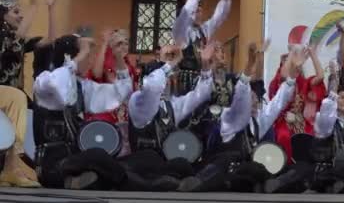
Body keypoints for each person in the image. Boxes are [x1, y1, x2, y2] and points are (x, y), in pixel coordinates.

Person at [179, 43, 300, 193]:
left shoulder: (259, 121)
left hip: (248, 169)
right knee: (225, 163)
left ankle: (276, 183)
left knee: (279, 168)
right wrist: (248, 65)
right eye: (251, 98)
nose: (255, 100)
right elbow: (242, 88)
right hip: (224, 161)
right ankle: (197, 182)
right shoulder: (231, 118)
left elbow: (277, 102)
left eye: (256, 98)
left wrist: (292, 78)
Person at [32, 34, 133, 189]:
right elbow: (58, 88)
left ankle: (84, 181)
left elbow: (121, 93)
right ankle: (136, 182)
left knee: (143, 158)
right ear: (71, 57)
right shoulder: (44, 82)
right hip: (54, 165)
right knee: (98, 155)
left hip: (79, 160)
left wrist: (119, 58)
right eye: (87, 55)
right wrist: (76, 60)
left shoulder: (82, 87)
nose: (90, 60)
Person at [124, 44, 215, 191]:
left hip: (168, 165)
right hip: (143, 167)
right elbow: (152, 88)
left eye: (168, 77)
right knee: (150, 158)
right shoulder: (137, 101)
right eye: (164, 76)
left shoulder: (171, 105)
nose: (167, 80)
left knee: (187, 162)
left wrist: (205, 67)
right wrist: (171, 63)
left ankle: (178, 182)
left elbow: (200, 94)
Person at [172, 0, 233, 95]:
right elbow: (186, 11)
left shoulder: (205, 29)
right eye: (194, 11)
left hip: (203, 78)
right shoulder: (181, 32)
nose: (196, 14)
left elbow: (220, 15)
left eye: (199, 10)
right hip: (186, 82)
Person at [268, 45, 325, 164]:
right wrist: (292, 54)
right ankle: (286, 167)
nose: (291, 63)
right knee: (284, 136)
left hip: (301, 122)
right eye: (287, 61)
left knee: (312, 137)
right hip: (284, 121)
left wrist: (313, 54)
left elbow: (320, 76)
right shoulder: (280, 81)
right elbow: (284, 75)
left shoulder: (304, 83)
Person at [1, 0, 56, 93]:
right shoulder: (4, 36)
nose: (21, 16)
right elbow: (19, 35)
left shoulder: (19, 40)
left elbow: (50, 39)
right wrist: (34, 7)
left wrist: (51, 8)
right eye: (15, 12)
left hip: (14, 94)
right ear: (4, 15)